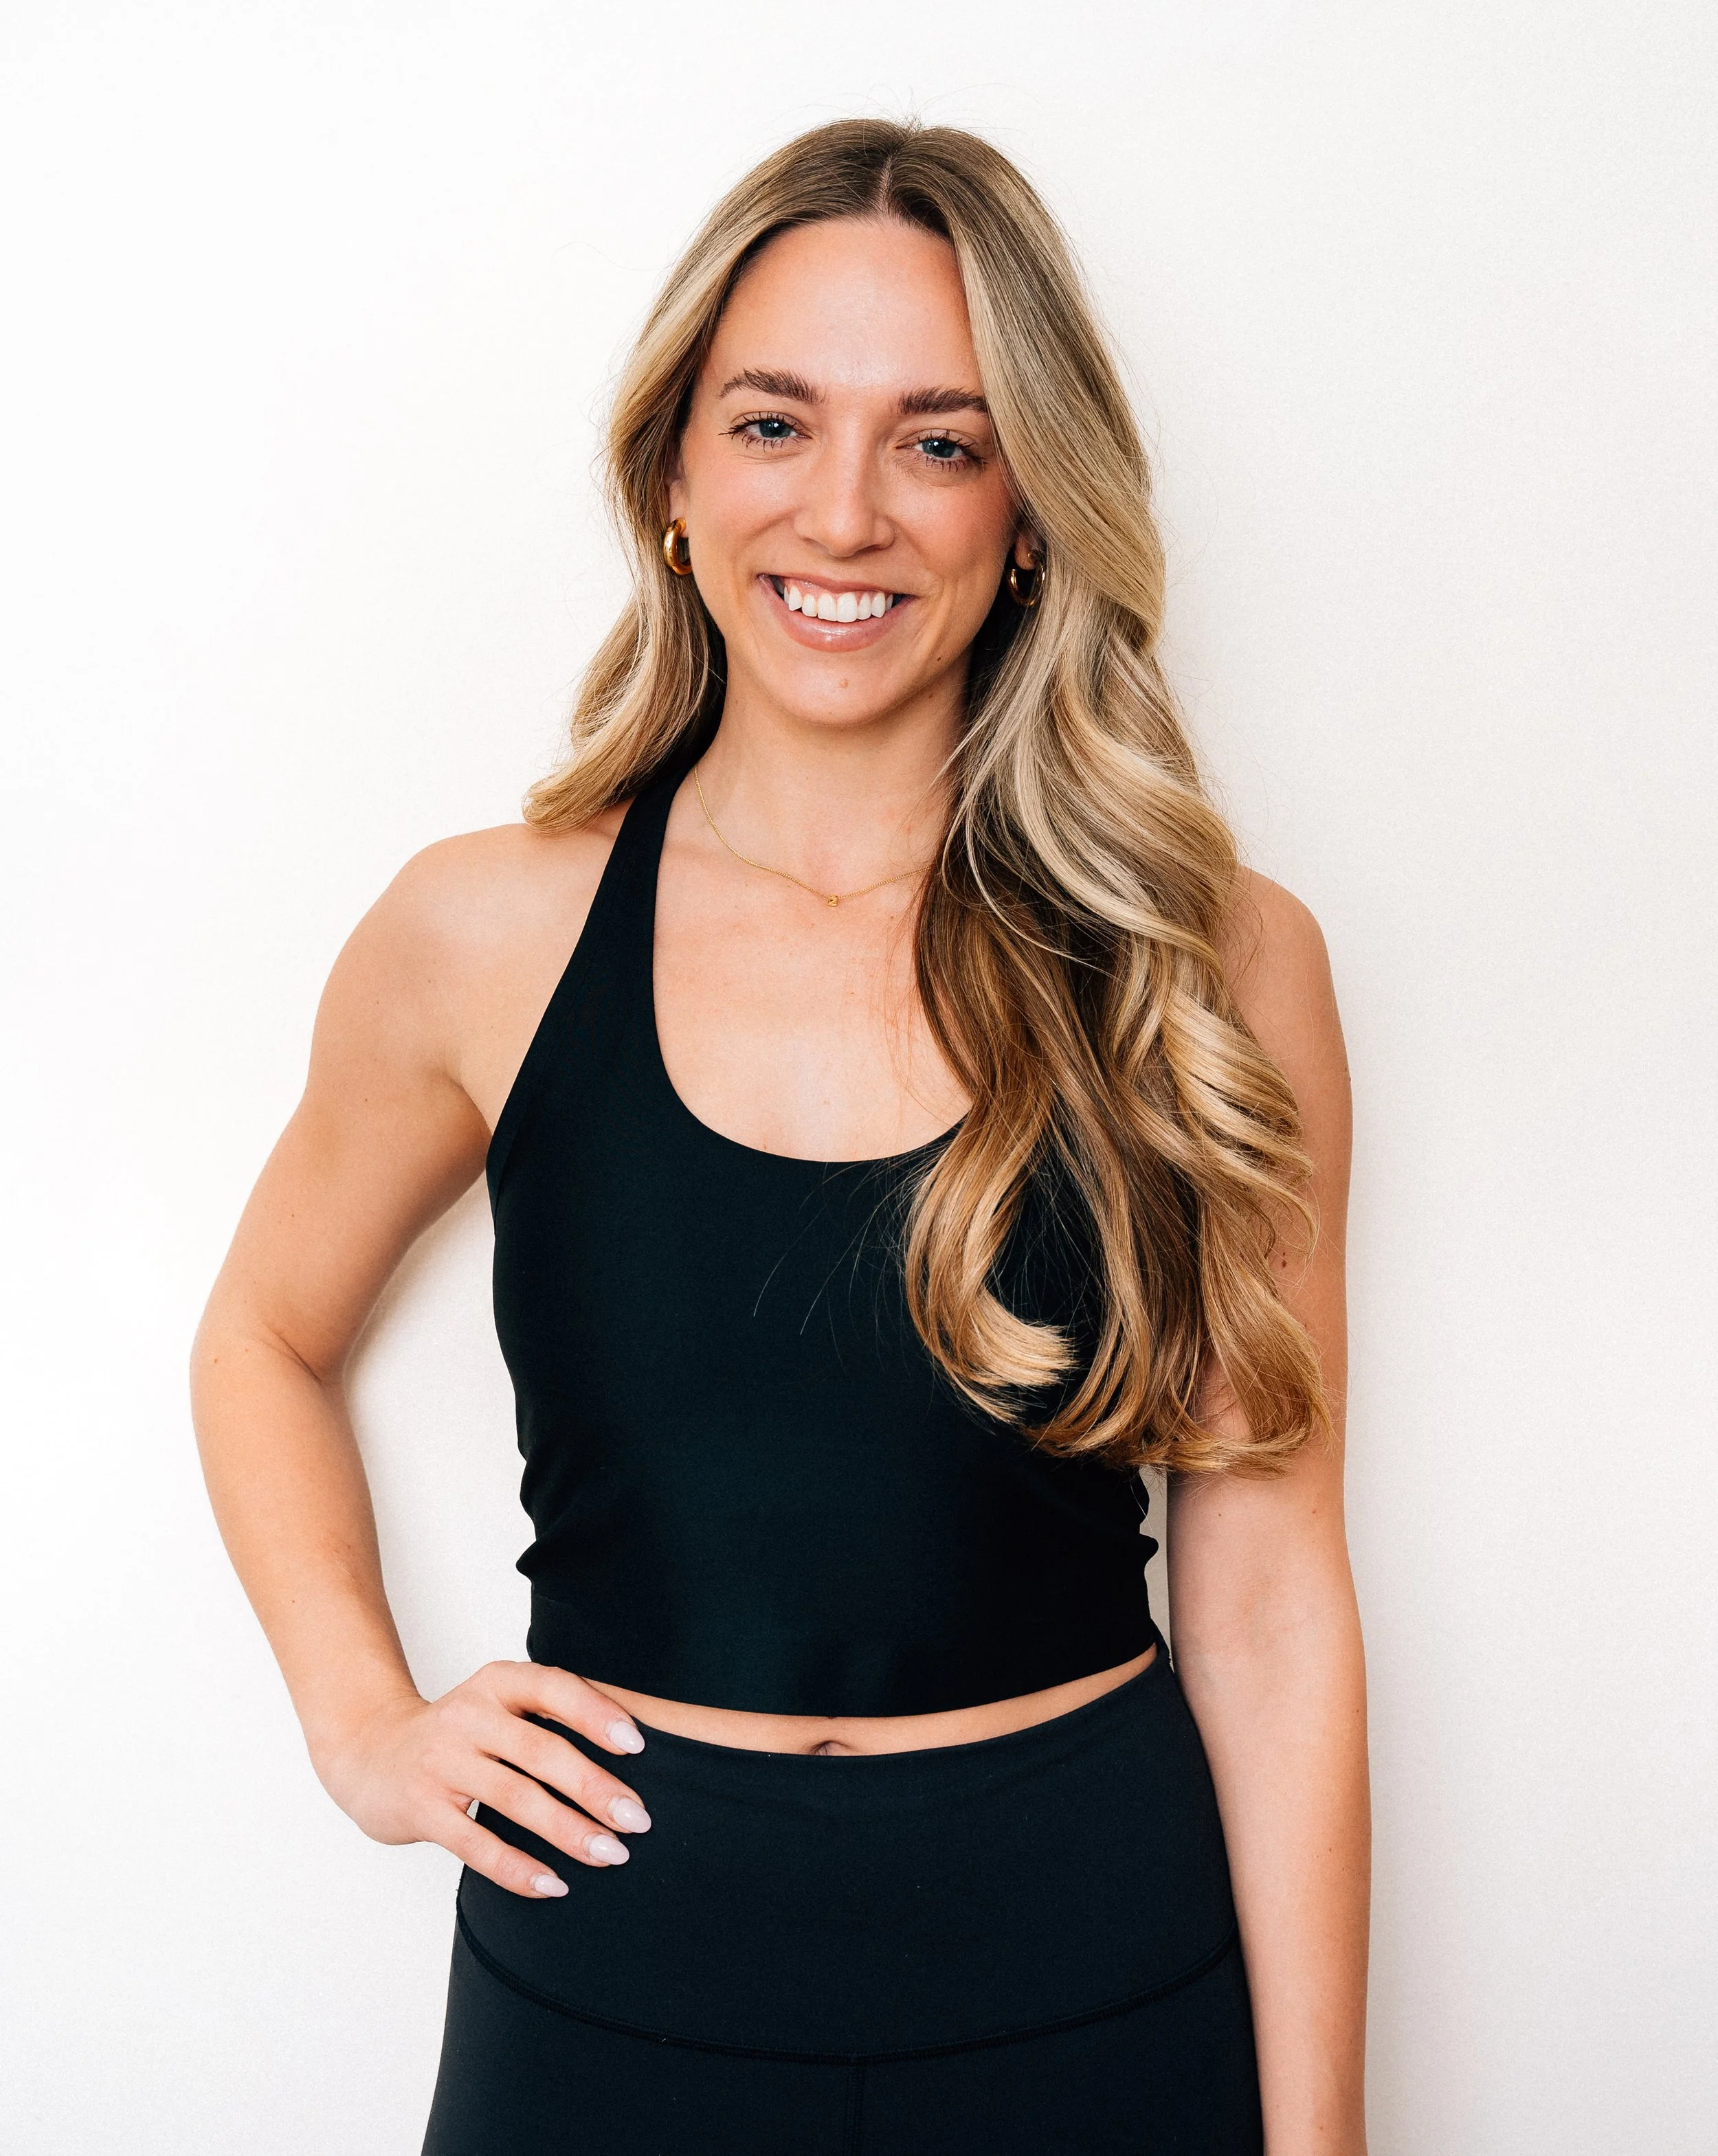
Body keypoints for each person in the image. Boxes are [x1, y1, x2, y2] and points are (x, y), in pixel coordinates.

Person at [190, 118, 1369, 2155]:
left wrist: (1322, 2133)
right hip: (615, 1965)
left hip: (1089, 1965)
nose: (845, 512)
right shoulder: (480, 928)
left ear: (1030, 508)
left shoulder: (1211, 960)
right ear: (671, 472)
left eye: (938, 438)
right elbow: (260, 1339)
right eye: (771, 423)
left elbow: (1264, 1583)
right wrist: (363, 1719)